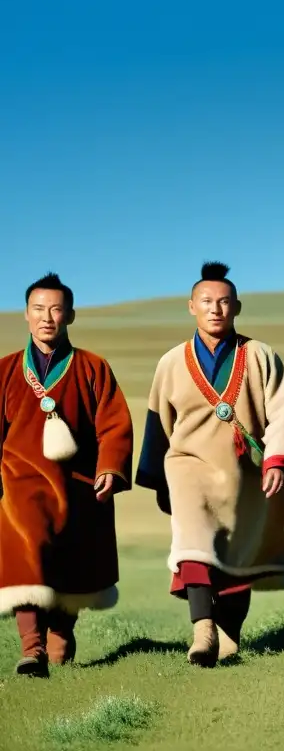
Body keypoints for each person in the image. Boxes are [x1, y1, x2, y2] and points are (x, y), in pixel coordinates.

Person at [134, 262, 284, 667]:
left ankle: (229, 633)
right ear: (191, 306)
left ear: (237, 307)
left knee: (236, 555)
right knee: (193, 542)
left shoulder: (261, 355)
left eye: (224, 302)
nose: (215, 309)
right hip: (187, 465)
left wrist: (278, 459)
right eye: (207, 302)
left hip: (243, 472)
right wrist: (160, 480)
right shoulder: (171, 362)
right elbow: (159, 422)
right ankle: (202, 628)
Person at [0, 273, 133, 677]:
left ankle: (60, 633)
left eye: (56, 309)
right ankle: (31, 648)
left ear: (70, 315)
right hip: (19, 482)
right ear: (26, 315)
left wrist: (110, 467)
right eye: (39, 309)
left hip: (78, 484)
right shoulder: (5, 370)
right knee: (27, 556)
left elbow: (114, 424)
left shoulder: (93, 367)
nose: (47, 317)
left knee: (75, 564)